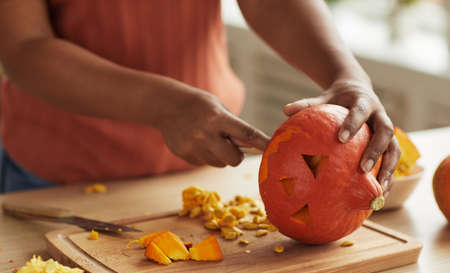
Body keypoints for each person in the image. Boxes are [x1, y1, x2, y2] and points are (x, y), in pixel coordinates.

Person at [0, 0, 400, 194]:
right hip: (55, 175)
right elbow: (24, 47)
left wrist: (346, 74)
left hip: (204, 171)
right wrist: (163, 104)